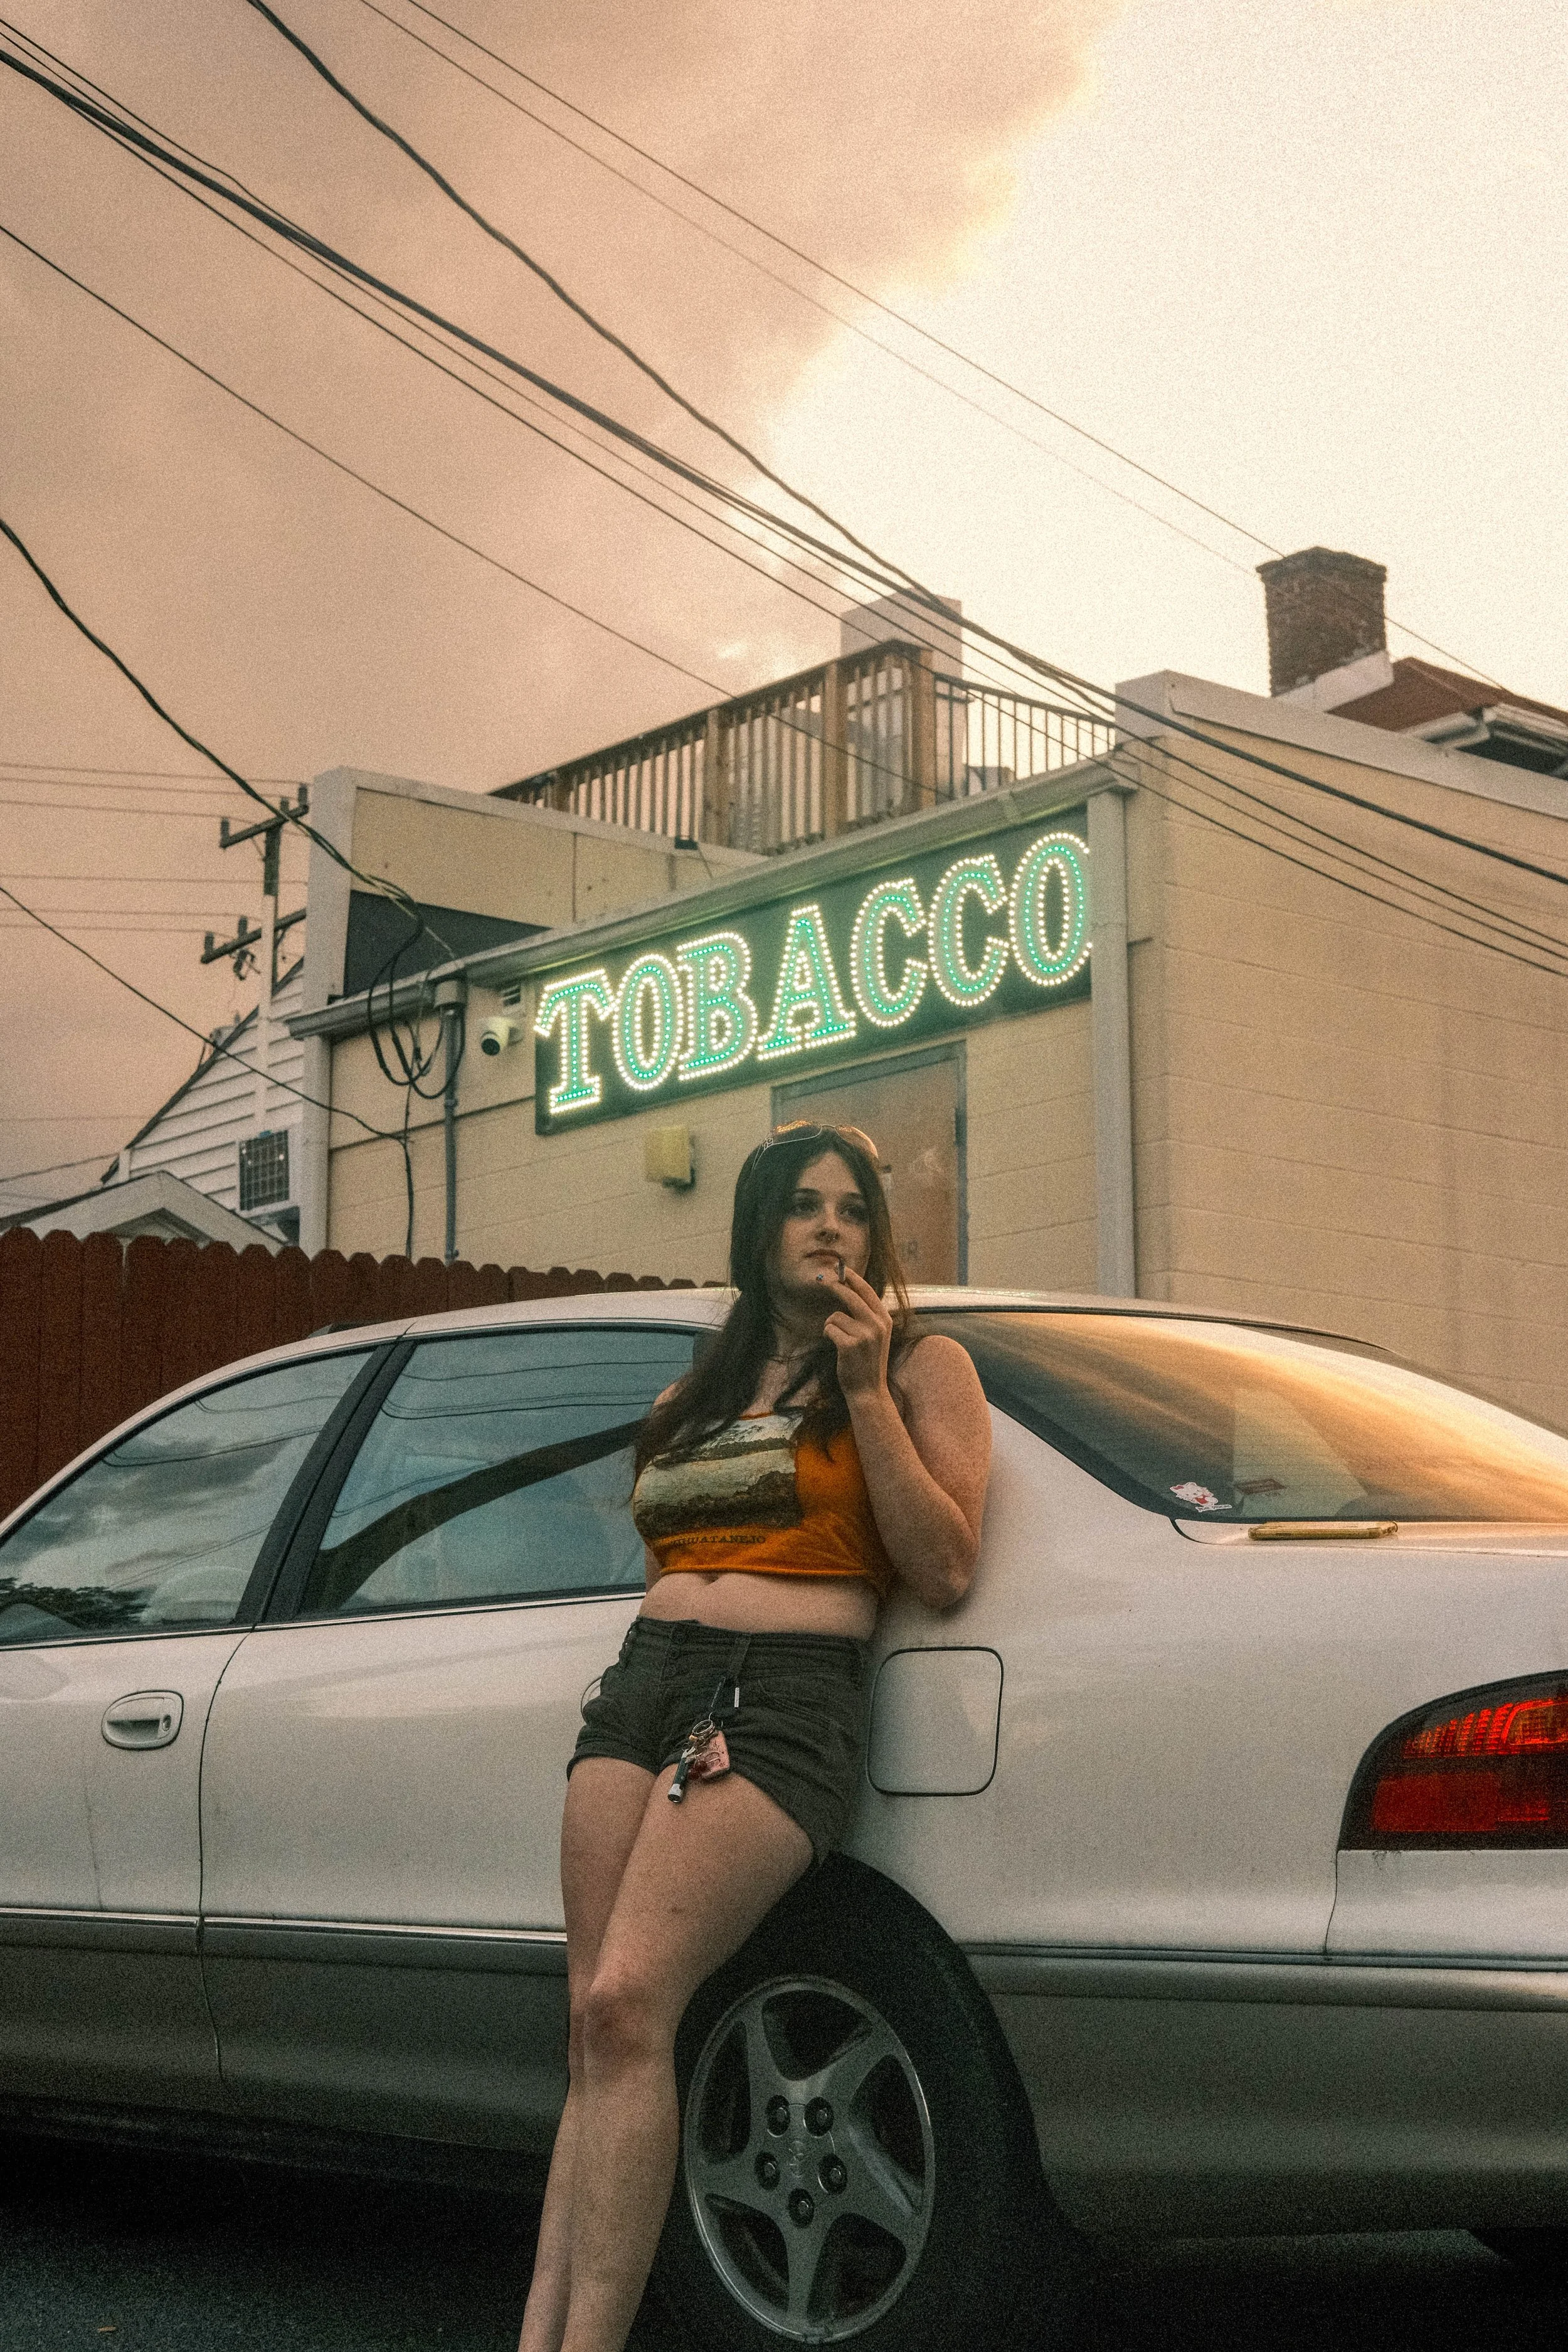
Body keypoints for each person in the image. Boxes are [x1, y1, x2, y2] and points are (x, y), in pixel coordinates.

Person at [516, 1120, 993, 2352]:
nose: (830, 1224)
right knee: (589, 2030)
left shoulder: (922, 1367)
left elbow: (940, 1564)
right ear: (757, 1226)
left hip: (779, 1696)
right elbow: (670, 1561)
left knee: (631, 2006)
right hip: (643, 1687)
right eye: (801, 1203)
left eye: (851, 1208)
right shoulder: (691, 1396)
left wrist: (864, 1391)